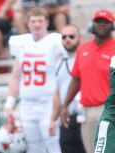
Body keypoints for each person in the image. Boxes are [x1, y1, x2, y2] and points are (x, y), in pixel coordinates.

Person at [4, 7, 66, 153]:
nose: (37, 24)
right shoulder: (22, 43)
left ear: (47, 22)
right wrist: (9, 104)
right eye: (33, 21)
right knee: (33, 146)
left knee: (52, 143)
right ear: (27, 23)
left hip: (48, 103)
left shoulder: (55, 41)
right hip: (27, 104)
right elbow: (16, 76)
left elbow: (62, 75)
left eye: (40, 21)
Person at [61, 9, 115, 153]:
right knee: (92, 150)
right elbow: (76, 79)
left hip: (109, 109)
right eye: (99, 21)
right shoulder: (83, 48)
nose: (102, 24)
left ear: (112, 25)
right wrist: (65, 104)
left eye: (106, 22)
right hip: (87, 111)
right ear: (93, 23)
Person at [48, 25, 85, 153]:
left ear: (80, 38)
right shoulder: (60, 63)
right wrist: (53, 119)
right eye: (64, 37)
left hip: (84, 116)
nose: (67, 39)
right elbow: (58, 93)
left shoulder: (86, 58)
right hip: (67, 118)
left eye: (71, 36)